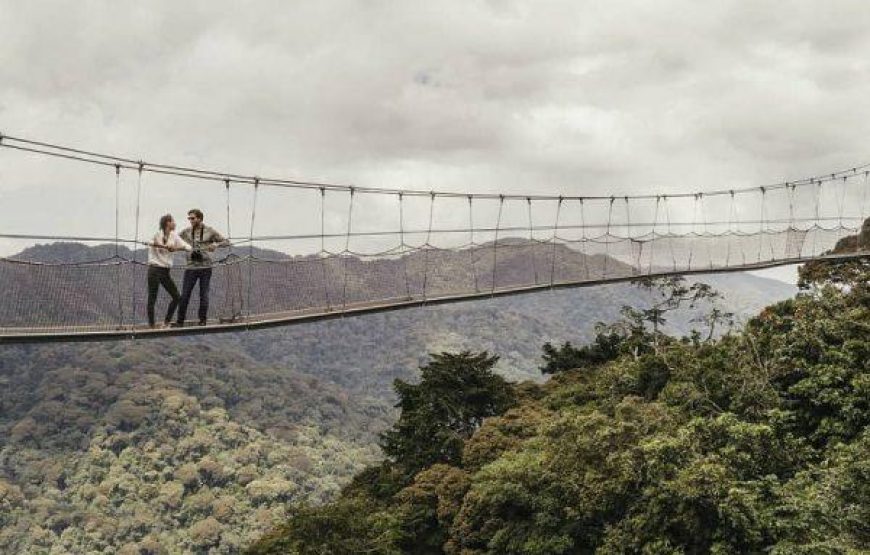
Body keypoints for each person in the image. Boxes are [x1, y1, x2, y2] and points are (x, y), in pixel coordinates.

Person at [174, 209, 230, 326]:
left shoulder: (210, 231)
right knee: (184, 294)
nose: (190, 220)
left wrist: (216, 245)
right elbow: (174, 240)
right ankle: (180, 321)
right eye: (189, 218)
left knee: (203, 294)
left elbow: (226, 242)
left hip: (205, 267)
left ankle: (202, 320)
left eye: (193, 218)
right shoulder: (186, 232)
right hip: (191, 267)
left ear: (200, 218)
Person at [147, 214, 191, 328]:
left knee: (177, 297)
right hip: (154, 269)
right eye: (173, 221)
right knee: (152, 298)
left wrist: (176, 248)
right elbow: (149, 242)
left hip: (165, 271)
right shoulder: (157, 234)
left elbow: (187, 247)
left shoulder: (174, 236)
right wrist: (165, 246)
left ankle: (166, 322)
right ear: (168, 223)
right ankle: (151, 325)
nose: (175, 224)